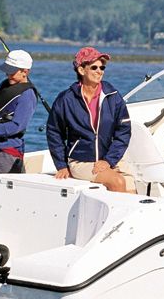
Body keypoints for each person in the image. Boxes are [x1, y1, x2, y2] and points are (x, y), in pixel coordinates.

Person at [46, 47, 133, 193]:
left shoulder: (113, 96)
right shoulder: (66, 99)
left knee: (134, 194)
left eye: (102, 67)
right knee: (117, 182)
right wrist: (61, 165)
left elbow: (124, 132)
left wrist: (109, 160)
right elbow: (54, 132)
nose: (100, 71)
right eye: (94, 67)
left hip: (111, 159)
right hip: (81, 161)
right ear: (81, 70)